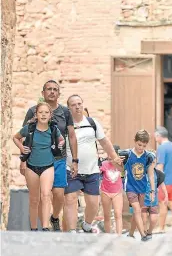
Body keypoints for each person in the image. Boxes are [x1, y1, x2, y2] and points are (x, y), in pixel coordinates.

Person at [22, 80, 78, 231]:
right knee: (41, 196)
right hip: (36, 160)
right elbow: (25, 137)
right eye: (49, 89)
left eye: (55, 89)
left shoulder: (65, 112)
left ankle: (54, 217)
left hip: (58, 160)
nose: (52, 92)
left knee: (58, 194)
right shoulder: (33, 111)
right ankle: (43, 228)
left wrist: (74, 160)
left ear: (59, 94)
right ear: (43, 93)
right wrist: (23, 160)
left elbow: (71, 136)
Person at [64, 94, 121, 233]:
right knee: (71, 199)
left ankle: (87, 224)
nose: (77, 107)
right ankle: (71, 231)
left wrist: (114, 157)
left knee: (93, 204)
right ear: (69, 108)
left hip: (92, 170)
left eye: (79, 103)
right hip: (72, 169)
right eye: (73, 104)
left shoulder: (92, 123)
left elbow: (104, 142)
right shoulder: (65, 126)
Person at [13, 102, 65, 231]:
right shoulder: (30, 128)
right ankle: (34, 228)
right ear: (36, 114)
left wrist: (60, 144)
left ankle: (46, 227)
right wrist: (22, 148)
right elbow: (15, 138)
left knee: (46, 195)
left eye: (46, 112)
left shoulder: (53, 129)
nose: (43, 115)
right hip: (31, 167)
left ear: (50, 115)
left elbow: (61, 139)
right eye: (40, 112)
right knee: (34, 199)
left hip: (48, 166)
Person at [125, 130, 156, 242]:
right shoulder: (127, 154)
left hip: (142, 188)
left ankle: (131, 233)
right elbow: (120, 168)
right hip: (130, 187)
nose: (141, 147)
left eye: (144, 145)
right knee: (137, 210)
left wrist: (152, 191)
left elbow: (151, 175)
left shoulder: (148, 156)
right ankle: (143, 234)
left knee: (136, 212)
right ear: (134, 141)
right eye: (139, 144)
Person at [100, 158, 124, 234]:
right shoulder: (104, 164)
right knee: (107, 215)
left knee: (118, 214)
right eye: (109, 155)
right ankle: (108, 234)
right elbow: (98, 173)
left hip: (117, 192)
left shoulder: (120, 165)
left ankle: (119, 235)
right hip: (105, 192)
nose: (111, 157)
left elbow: (124, 172)